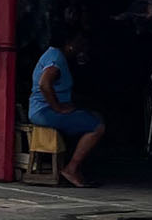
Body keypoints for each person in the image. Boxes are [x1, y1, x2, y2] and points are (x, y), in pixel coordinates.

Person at [28, 29, 104, 188]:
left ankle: (76, 165)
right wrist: (58, 108)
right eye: (79, 43)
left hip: (43, 109)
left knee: (92, 115)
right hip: (45, 111)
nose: (82, 46)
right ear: (69, 44)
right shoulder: (56, 59)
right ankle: (72, 168)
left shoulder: (55, 55)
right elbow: (44, 84)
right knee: (97, 127)